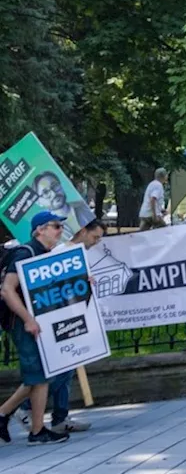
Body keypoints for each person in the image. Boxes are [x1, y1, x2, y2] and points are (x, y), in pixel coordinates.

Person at [14, 219, 105, 436]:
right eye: (95, 237)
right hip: (55, 321)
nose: (96, 242)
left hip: (70, 318)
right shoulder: (63, 252)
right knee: (57, 371)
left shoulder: (77, 253)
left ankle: (60, 417)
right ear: (83, 231)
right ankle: (25, 409)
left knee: (67, 369)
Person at [0, 211, 74, 444]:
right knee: (39, 375)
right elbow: (7, 289)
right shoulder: (26, 253)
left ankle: (14, 419)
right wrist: (28, 319)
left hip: (37, 322)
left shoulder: (45, 255)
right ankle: (33, 429)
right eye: (55, 226)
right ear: (39, 230)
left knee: (41, 375)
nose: (60, 230)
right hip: (22, 324)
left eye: (61, 226)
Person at [31, 172, 93, 242]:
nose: (54, 194)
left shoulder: (82, 207)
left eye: (55, 186)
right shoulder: (46, 229)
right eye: (46, 192)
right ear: (39, 202)